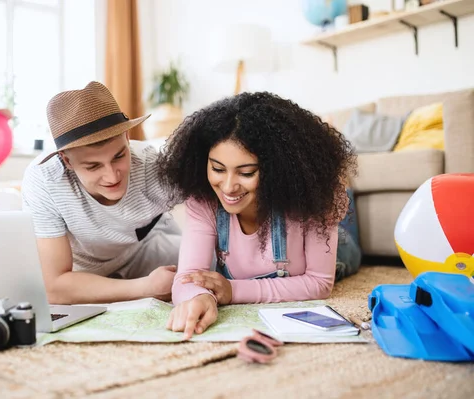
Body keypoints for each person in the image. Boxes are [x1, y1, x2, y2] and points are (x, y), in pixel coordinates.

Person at [157, 91, 361, 339]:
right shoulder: (203, 201)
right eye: (218, 169)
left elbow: (319, 283)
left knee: (343, 216)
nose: (229, 186)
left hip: (339, 246)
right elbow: (188, 277)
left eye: (246, 172)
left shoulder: (314, 200)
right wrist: (198, 297)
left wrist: (233, 291)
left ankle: (343, 187)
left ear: (277, 169)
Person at [21, 81, 181, 305]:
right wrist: (146, 287)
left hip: (141, 254)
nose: (112, 176)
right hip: (80, 274)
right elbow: (55, 288)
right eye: (93, 166)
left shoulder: (151, 165)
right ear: (66, 160)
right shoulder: (44, 181)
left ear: (127, 138)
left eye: (118, 156)